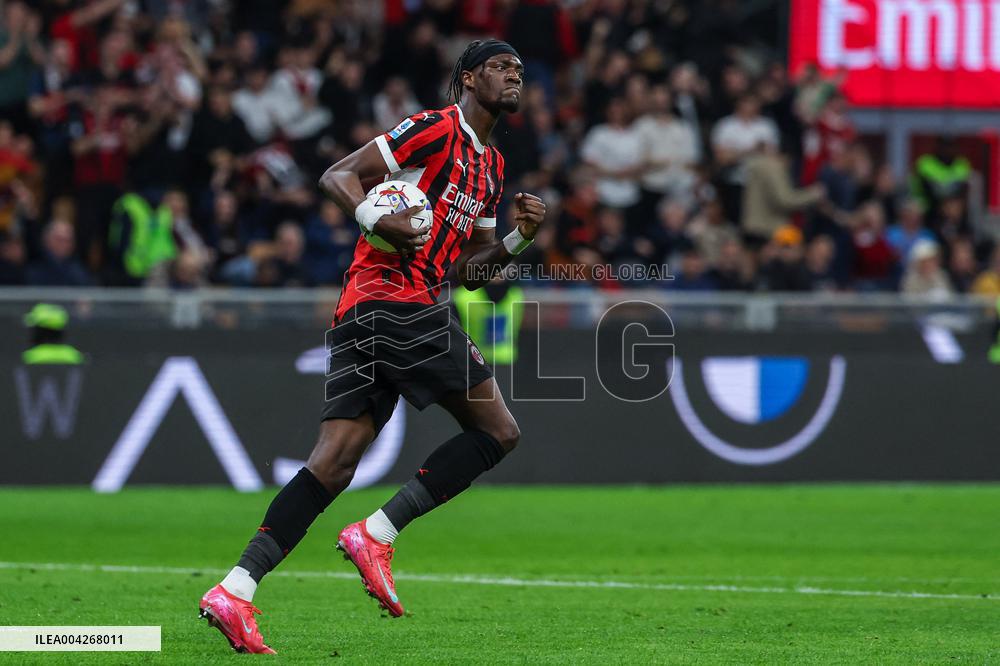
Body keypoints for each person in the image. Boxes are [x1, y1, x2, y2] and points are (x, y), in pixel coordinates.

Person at [198, 40, 546, 654]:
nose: (514, 75)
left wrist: (519, 240)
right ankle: (377, 532)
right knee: (499, 432)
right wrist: (373, 218)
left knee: (332, 463)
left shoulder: (491, 168)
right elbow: (338, 175)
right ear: (468, 77)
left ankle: (235, 589)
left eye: (519, 69)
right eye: (500, 66)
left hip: (378, 309)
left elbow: (470, 273)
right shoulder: (434, 129)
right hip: (393, 300)